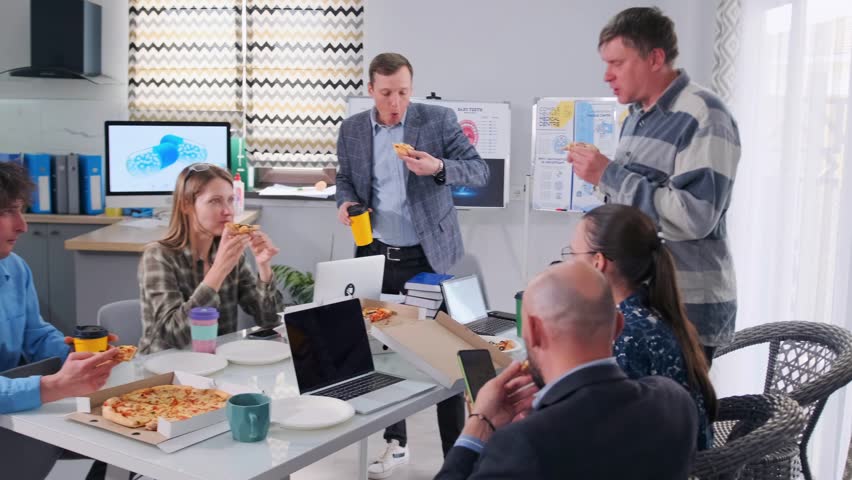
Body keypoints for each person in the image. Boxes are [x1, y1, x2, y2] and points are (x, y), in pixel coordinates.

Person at [335, 52, 489, 478]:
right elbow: (345, 178)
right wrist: (345, 202)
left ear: (411, 87)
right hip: (377, 255)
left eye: (403, 91)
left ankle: (455, 459)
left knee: (444, 356)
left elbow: (478, 172)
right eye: (386, 93)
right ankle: (396, 443)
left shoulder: (437, 121)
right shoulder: (351, 130)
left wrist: (437, 167)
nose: (395, 102)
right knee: (383, 354)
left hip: (429, 256)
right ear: (370, 90)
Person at [567, 7, 741, 362]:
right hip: (642, 302)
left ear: (655, 58)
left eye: (617, 63)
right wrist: (602, 177)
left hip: (684, 308)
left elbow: (695, 216)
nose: (607, 76)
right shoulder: (636, 118)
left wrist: (608, 174)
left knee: (666, 415)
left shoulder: (705, 114)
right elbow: (635, 210)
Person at [435, 261, 699, 479]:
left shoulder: (523, 445)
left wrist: (478, 424)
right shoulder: (675, 402)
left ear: (535, 332)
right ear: (618, 326)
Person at [0, 161, 121, 479]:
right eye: (7, 212)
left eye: (21, 210)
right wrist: (51, 386)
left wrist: (81, 355)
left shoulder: (15, 268)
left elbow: (35, 334)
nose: (22, 225)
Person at [566, 203, 717, 450]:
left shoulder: (626, 336)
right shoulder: (652, 309)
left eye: (573, 254)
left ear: (598, 262)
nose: (570, 263)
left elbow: (610, 435)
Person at [138, 163, 283, 354]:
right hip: (166, 370)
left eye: (230, 200)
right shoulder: (158, 256)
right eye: (215, 201)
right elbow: (174, 336)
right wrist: (218, 270)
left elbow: (270, 320)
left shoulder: (230, 255)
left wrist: (264, 268)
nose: (228, 211)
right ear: (186, 205)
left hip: (216, 364)